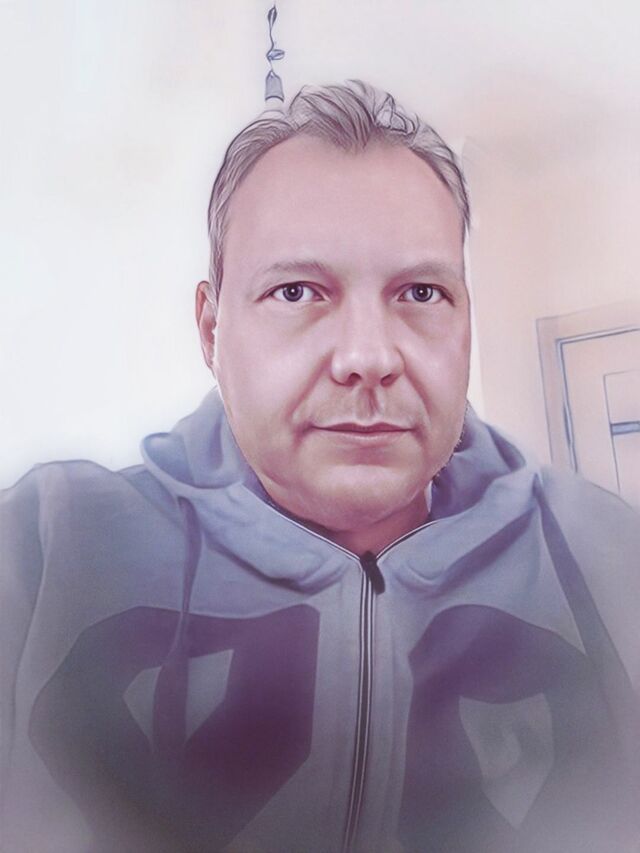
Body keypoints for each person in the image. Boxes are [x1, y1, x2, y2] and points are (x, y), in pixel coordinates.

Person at [1, 81, 639, 853]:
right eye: (298, 290)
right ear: (211, 329)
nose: (368, 356)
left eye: (421, 291)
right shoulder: (42, 553)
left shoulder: (614, 560)